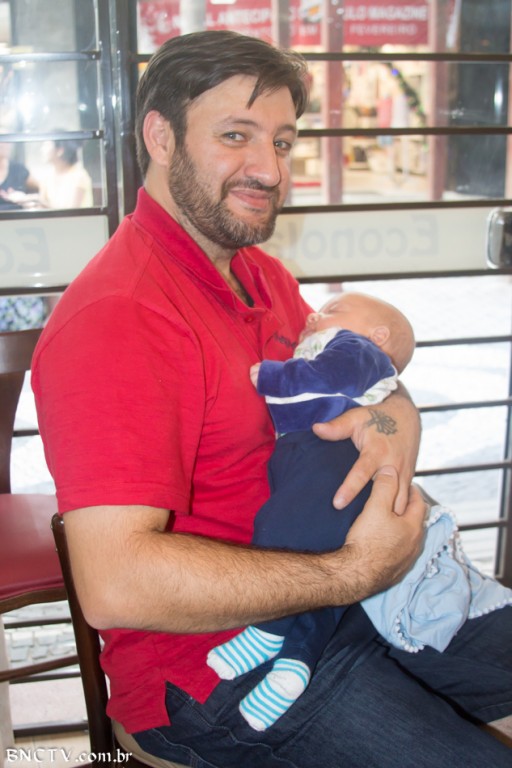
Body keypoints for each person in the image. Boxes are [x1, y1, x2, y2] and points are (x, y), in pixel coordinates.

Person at [31, 31, 511, 768]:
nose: (270, 169)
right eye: (236, 136)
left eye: (283, 141)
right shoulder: (119, 316)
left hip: (345, 599)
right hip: (213, 669)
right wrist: (357, 570)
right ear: (160, 137)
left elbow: (361, 376)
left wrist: (395, 418)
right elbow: (116, 585)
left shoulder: (260, 276)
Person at [207, 291, 512, 731]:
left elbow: (336, 373)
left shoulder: (348, 344)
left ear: (378, 335)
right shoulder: (335, 337)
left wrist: (273, 375)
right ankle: (294, 662)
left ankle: (269, 633)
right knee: (316, 561)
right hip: (312, 460)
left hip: (323, 454)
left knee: (286, 532)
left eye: (332, 310)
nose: (314, 314)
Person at [38, 137, 93, 209]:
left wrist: (45, 205)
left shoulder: (79, 176)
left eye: (47, 145)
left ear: (60, 151)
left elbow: (73, 212)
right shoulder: (47, 176)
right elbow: (41, 206)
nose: (42, 149)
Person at [0, 140, 39, 210]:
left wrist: (26, 198)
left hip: (16, 215)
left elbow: (42, 193)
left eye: (8, 141)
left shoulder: (18, 169)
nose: (6, 145)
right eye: (2, 141)